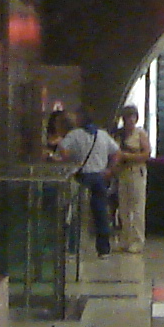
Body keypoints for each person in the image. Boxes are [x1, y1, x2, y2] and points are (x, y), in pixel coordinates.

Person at [62, 110, 119, 258]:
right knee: (101, 213)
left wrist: (72, 159)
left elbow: (63, 152)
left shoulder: (74, 135)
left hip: (82, 177)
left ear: (81, 118)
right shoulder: (103, 135)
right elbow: (116, 152)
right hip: (100, 177)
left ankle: (73, 248)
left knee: (75, 213)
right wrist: (110, 169)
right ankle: (103, 249)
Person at [113, 104, 150, 254]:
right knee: (124, 208)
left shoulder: (140, 134)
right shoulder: (119, 135)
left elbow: (146, 154)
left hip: (136, 172)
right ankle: (125, 239)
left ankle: (137, 240)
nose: (130, 120)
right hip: (123, 173)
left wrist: (128, 156)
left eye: (133, 117)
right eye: (128, 117)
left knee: (137, 208)